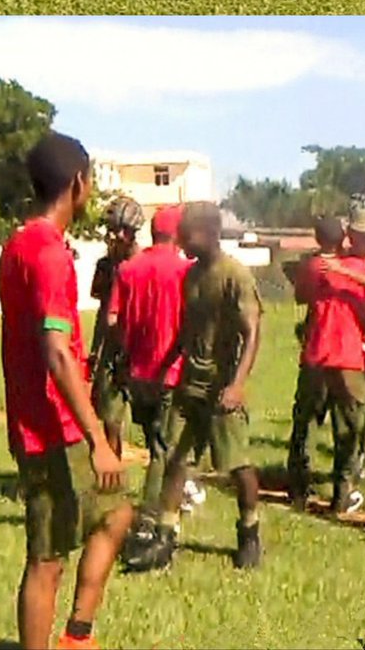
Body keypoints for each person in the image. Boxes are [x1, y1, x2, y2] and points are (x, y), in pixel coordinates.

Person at [0, 132, 134, 650]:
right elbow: (55, 349)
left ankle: (77, 635)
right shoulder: (49, 254)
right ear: (78, 184)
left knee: (115, 513)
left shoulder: (19, 242)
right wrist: (96, 435)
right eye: (90, 179)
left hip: (43, 419)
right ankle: (67, 639)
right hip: (51, 427)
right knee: (47, 558)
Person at [123, 201, 264, 572]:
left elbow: (252, 333)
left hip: (221, 388)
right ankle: (165, 538)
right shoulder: (192, 276)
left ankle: (249, 530)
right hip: (190, 384)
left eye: (186, 234)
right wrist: (163, 368)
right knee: (175, 460)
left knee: (236, 467)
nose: (181, 241)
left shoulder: (235, 275)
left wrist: (236, 384)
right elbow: (187, 333)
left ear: (205, 233)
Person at [107, 204, 190, 540]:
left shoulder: (127, 270)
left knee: (153, 438)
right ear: (177, 233)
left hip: (137, 372)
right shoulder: (186, 271)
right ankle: (149, 517)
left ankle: (167, 499)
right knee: (162, 449)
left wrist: (125, 351)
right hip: (171, 371)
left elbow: (113, 320)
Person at [286, 215, 365, 515]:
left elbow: (300, 295)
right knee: (348, 426)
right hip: (348, 356)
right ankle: (342, 492)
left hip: (315, 353)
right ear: (345, 236)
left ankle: (298, 488)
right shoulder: (358, 267)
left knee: (305, 423)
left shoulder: (310, 267)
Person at [88, 196, 144, 458]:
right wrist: (95, 352)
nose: (118, 236)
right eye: (113, 230)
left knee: (153, 423)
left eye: (124, 230)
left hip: (143, 349)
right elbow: (102, 311)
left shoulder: (144, 265)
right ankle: (113, 471)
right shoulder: (105, 265)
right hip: (112, 349)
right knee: (109, 417)